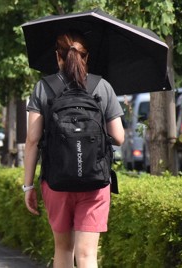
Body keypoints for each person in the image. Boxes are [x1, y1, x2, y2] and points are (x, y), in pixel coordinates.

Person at [23, 31, 125, 267]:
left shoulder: (43, 87)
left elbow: (32, 140)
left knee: (63, 248)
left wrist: (28, 185)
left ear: (57, 57)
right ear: (86, 57)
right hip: (95, 181)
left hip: (56, 181)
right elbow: (119, 137)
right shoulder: (102, 86)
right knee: (88, 255)